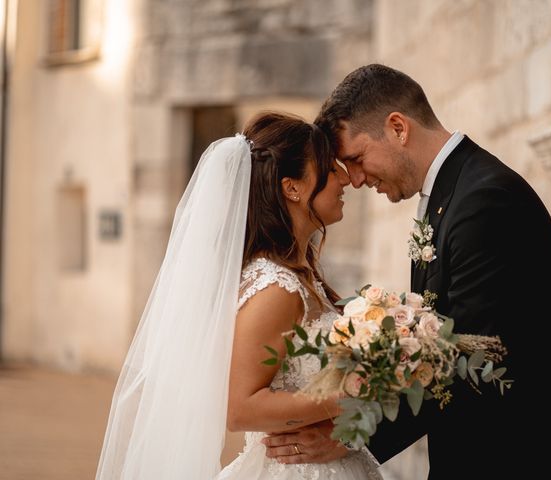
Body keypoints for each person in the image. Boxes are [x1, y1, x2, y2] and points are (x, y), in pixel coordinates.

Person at [264, 65, 551, 479]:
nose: (354, 179)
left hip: (529, 458)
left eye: (356, 159)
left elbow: (474, 358)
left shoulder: (484, 201)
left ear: (398, 128)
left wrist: (351, 434)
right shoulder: (451, 194)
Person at [96, 112, 382, 479]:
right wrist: (346, 401)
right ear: (292, 187)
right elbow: (240, 409)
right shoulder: (277, 288)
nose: (344, 178)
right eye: (329, 168)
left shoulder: (299, 274)